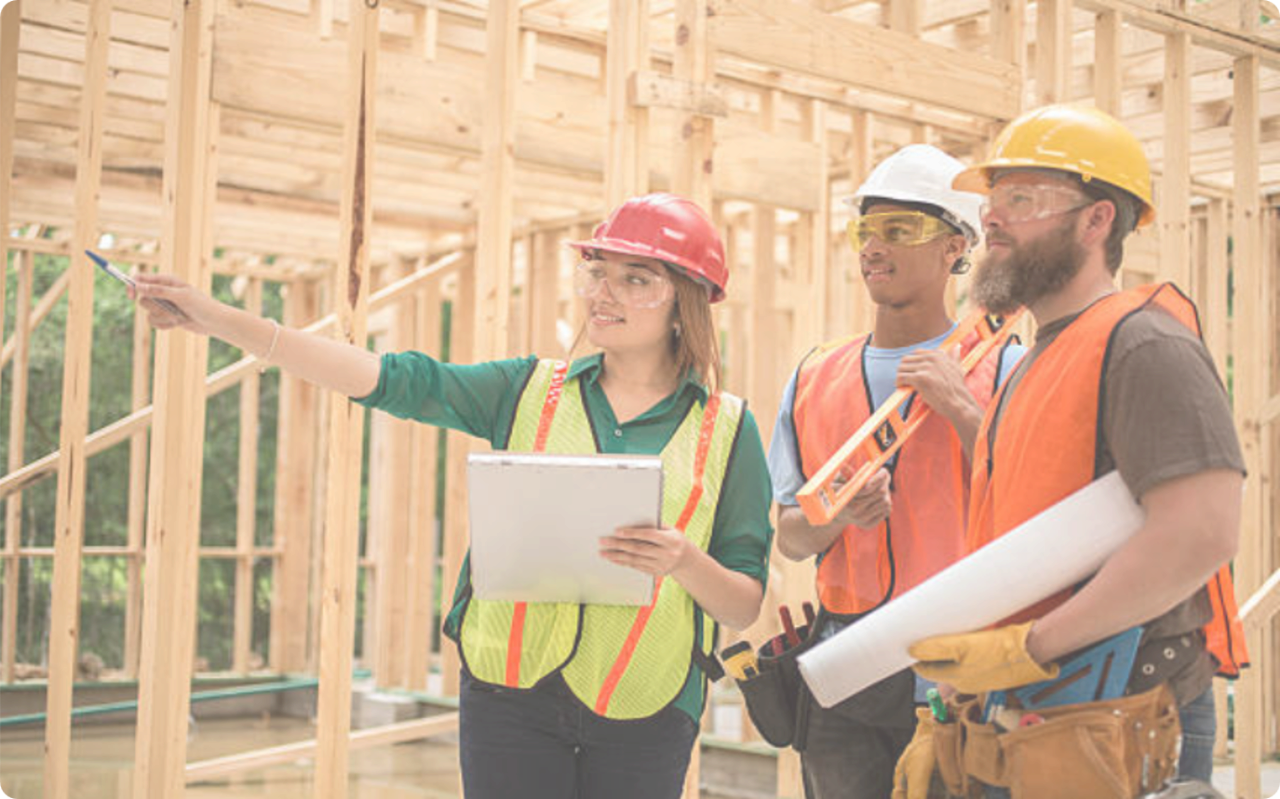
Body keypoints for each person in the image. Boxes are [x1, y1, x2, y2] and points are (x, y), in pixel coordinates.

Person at [130, 193, 775, 799]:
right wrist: (216, 318)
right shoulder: (525, 390)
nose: (604, 294)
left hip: (647, 704)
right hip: (509, 696)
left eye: (636, 279)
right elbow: (385, 379)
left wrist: (683, 561)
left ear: (686, 304)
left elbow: (743, 604)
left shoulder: (727, 430)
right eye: (597, 272)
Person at [894, 104, 1249, 798]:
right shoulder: (1034, 362)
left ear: (1097, 221)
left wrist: (1027, 648)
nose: (993, 220)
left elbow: (1202, 532)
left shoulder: (1145, 343)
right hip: (1042, 711)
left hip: (1120, 715)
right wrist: (956, 702)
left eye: (1022, 200)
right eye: (992, 202)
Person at [766, 144, 1025, 799]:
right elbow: (791, 536)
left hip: (960, 669)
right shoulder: (814, 376)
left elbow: (1033, 506)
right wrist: (839, 517)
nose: (874, 248)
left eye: (900, 229)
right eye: (867, 231)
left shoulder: (1004, 366)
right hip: (845, 668)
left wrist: (962, 409)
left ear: (954, 247)